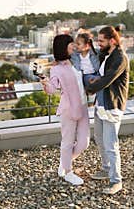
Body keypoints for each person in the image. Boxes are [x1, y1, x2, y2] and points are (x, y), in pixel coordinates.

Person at [86, 26, 129, 195]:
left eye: (101, 41)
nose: (99, 43)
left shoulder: (120, 58)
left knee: (111, 145)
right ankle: (106, 169)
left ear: (112, 41)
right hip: (101, 104)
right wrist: (90, 45)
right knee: (99, 137)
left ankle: (116, 181)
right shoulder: (107, 54)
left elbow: (107, 79)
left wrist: (88, 88)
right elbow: (99, 65)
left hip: (112, 106)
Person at [41, 34, 90, 186]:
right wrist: (44, 82)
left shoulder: (74, 61)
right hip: (68, 108)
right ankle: (68, 172)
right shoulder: (56, 69)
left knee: (84, 143)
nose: (73, 47)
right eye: (70, 45)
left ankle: (64, 161)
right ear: (63, 47)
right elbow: (52, 88)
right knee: (67, 142)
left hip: (83, 107)